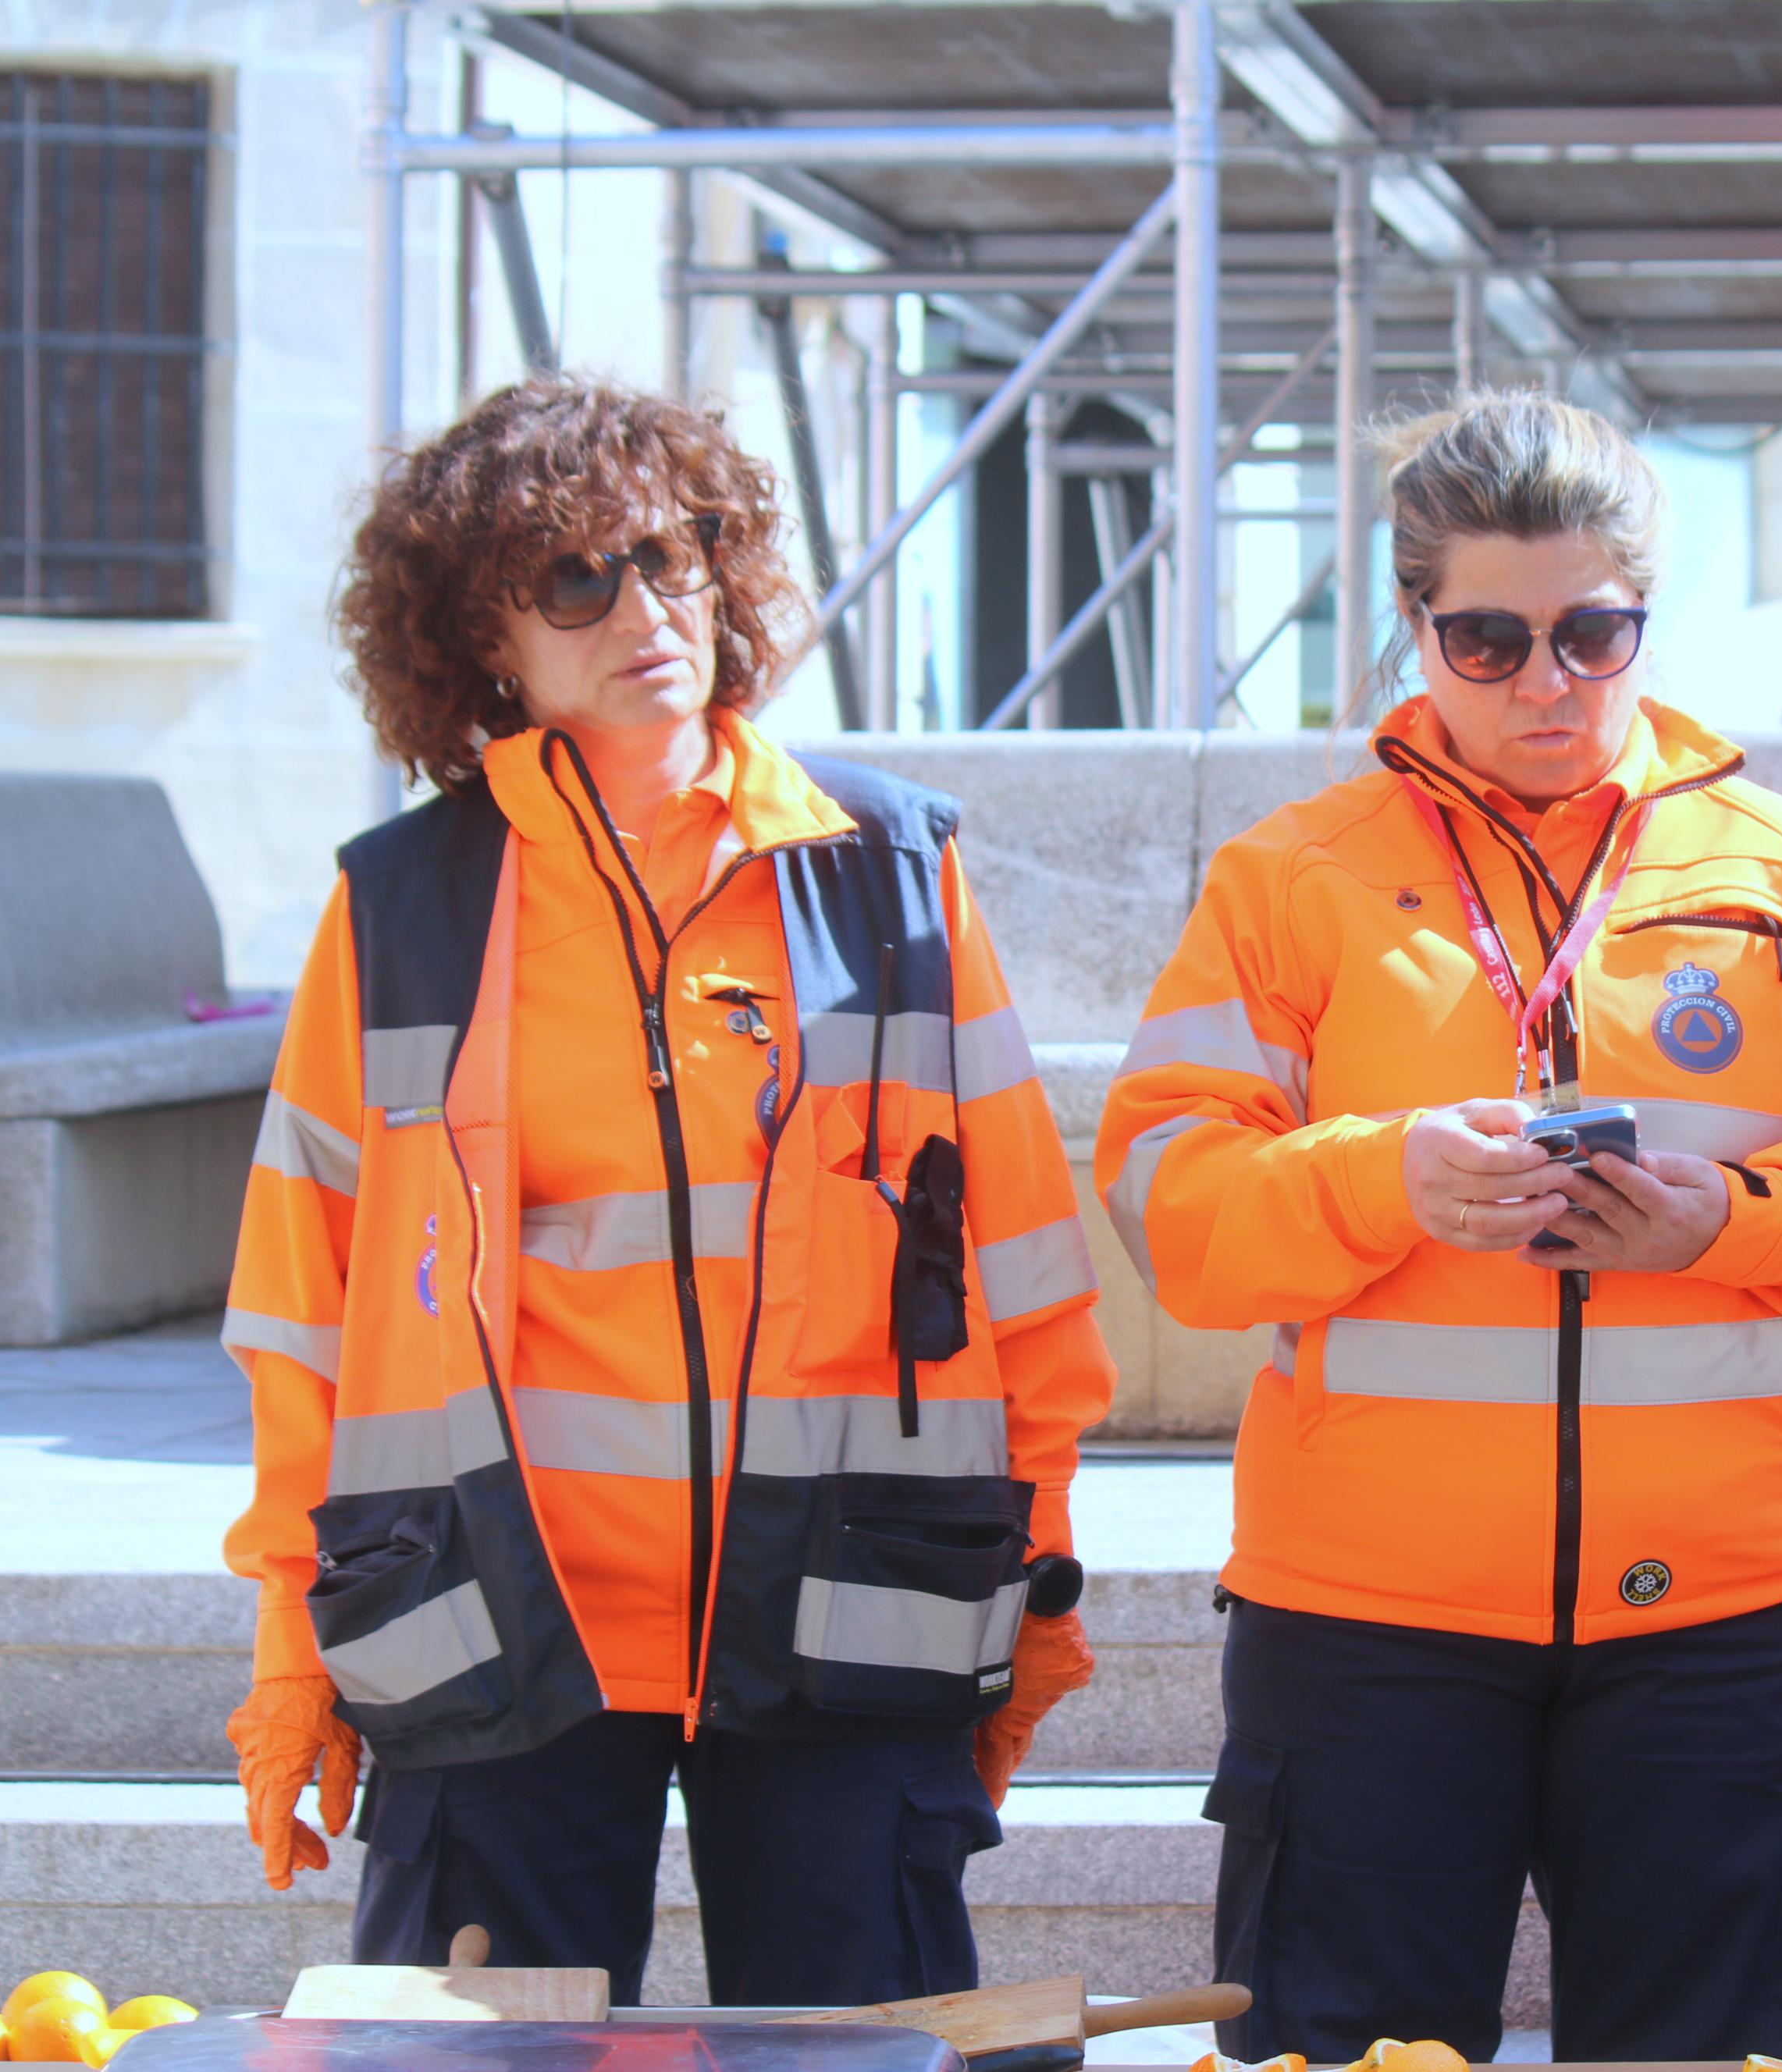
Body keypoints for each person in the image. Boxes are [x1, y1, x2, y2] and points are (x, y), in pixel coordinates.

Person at [1095, 390, 1782, 2063]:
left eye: (1594, 632)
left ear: (1644, 614)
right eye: (1487, 639)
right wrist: (1387, 1178)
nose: (1546, 683)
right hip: (1367, 1621)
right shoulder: (1290, 879)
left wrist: (1721, 1221)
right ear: (1413, 627)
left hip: (1721, 1619)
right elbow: (1176, 1212)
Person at [219, 375, 1113, 2004]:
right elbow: (302, 1317)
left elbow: (1023, 1267)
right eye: (579, 578)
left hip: (861, 1607)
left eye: (675, 554)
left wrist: (1037, 1571)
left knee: (874, 2064)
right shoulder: (402, 910)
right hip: (495, 1630)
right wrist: (295, 1632)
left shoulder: (894, 874)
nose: (647, 606)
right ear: (482, 635)